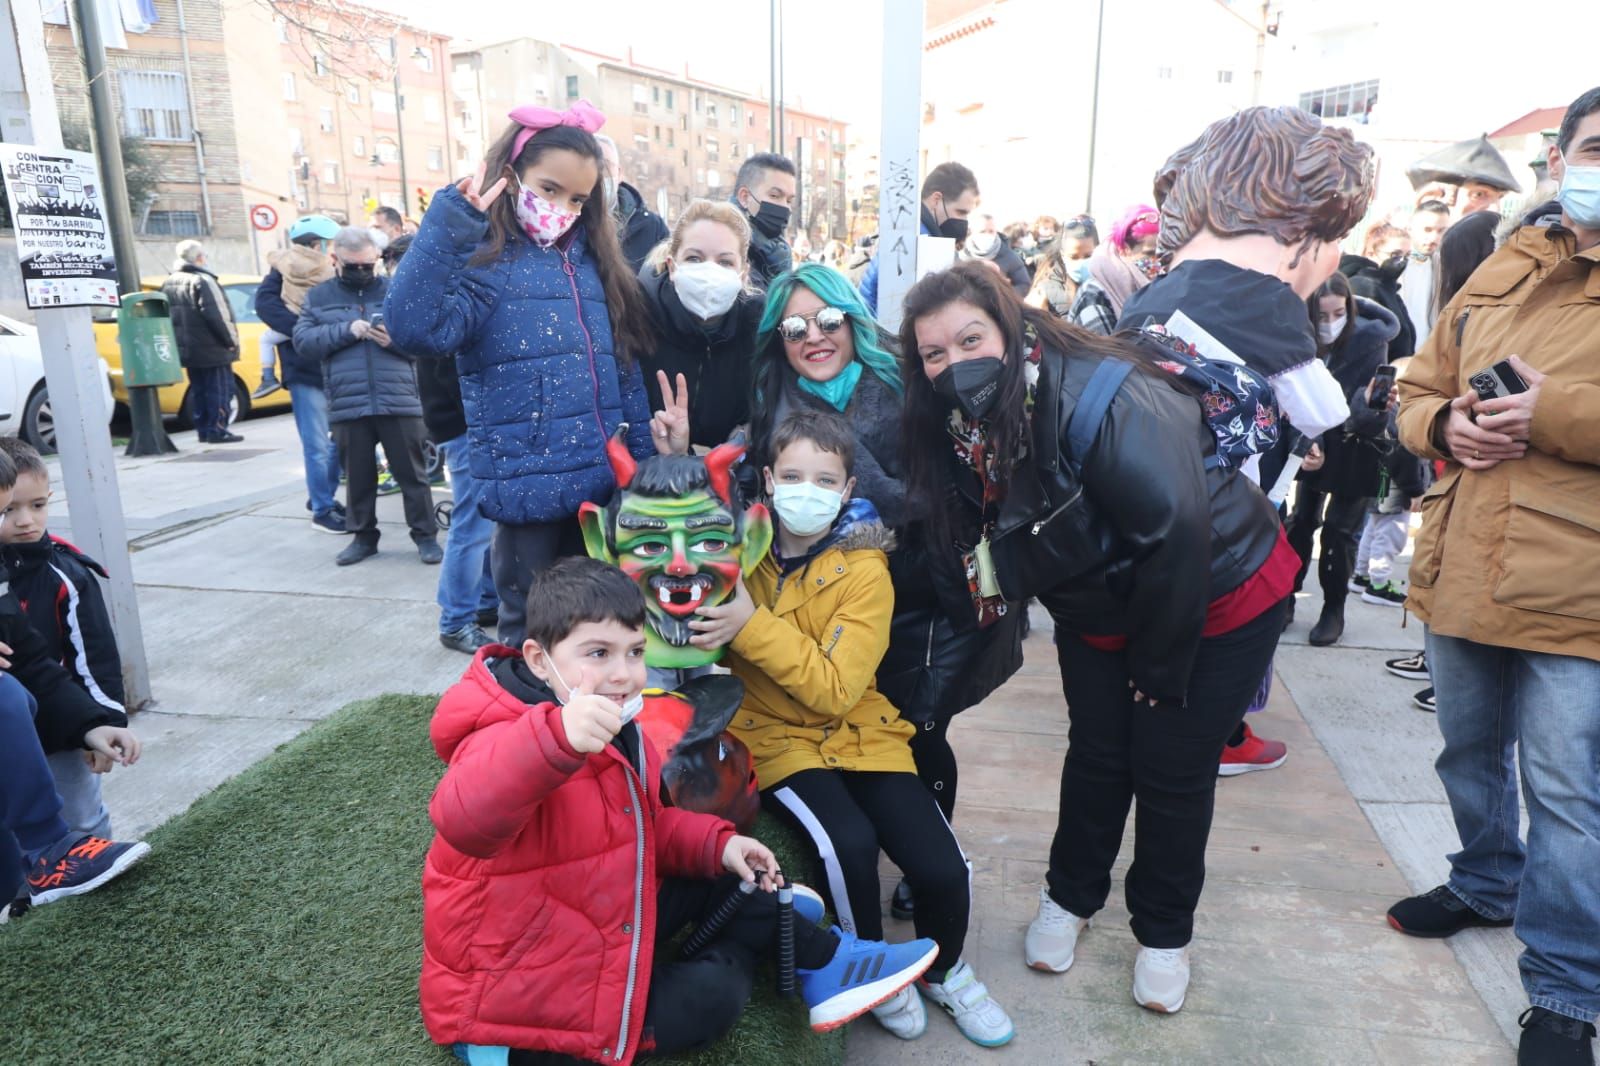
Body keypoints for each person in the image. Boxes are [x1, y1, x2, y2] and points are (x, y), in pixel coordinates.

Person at [897, 262, 1297, 1015]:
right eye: (934, 354)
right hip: (1096, 606)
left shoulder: (1102, 393)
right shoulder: (955, 422)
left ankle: (1163, 934)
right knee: (1098, 754)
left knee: (1171, 769)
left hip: (1212, 595)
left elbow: (1177, 536)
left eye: (970, 338)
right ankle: (1069, 897)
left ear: (1011, 326)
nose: (954, 363)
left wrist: (1157, 666)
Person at [419, 556, 939, 1062]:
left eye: (634, 651)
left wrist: (719, 843)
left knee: (725, 878)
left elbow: (639, 828)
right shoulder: (505, 731)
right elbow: (465, 821)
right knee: (716, 993)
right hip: (511, 1009)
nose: (623, 673)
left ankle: (822, 965)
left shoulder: (616, 725)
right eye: (597, 653)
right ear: (538, 659)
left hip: (580, 922)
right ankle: (759, 925)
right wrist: (554, 740)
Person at [1388, 86, 1600, 1066]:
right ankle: (1482, 877)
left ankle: (1562, 990)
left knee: (1565, 790)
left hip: (1580, 587)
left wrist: (1548, 410)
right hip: (1465, 553)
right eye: (1593, 147)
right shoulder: (1505, 258)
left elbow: (1558, 407)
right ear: (1558, 159)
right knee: (1466, 748)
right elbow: (1416, 384)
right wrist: (1442, 425)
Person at [688, 410, 1015, 1047]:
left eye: (823, 478)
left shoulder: (866, 570)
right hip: (775, 737)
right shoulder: (734, 552)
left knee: (943, 867)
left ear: (845, 489)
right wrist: (677, 453)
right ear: (768, 480)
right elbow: (671, 520)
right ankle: (869, 967)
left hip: (859, 730)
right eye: (792, 475)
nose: (806, 489)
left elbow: (837, 690)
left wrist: (750, 627)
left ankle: (945, 969)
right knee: (848, 843)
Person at [1119, 106, 1375, 771]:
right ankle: (1221, 737)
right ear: (1302, 231)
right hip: (1232, 524)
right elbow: (1322, 409)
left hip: (1144, 515)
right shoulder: (1269, 302)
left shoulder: (1152, 295)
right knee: (1218, 656)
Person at [384, 100, 686, 646]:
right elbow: (412, 329)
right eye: (549, 189)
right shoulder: (484, 261)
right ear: (512, 175)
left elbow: (625, 379)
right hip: (529, 502)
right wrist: (452, 223)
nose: (562, 207)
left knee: (604, 631)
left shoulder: (598, 266)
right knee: (536, 640)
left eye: (577, 198)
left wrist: (643, 471)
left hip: (605, 495)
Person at [0, 449, 147, 919]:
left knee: (12, 695)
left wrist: (94, 723)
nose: (23, 522)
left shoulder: (60, 571)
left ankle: (60, 864)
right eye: (6, 510)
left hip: (54, 729)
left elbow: (35, 659)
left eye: (35, 505)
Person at [1368, 207, 1502, 714]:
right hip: (1458, 492)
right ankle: (1439, 667)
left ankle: (1449, 673)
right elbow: (1421, 394)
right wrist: (1440, 419)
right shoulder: (1460, 316)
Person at [293, 226, 440, 567]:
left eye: (367, 264)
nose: (361, 271)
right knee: (358, 478)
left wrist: (396, 341)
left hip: (399, 398)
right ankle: (363, 537)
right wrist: (346, 331)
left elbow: (428, 342)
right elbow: (303, 342)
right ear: (335, 260)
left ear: (376, 260)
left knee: (413, 475)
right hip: (349, 402)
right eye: (352, 265)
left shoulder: (396, 291)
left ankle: (425, 537)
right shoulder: (319, 297)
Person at [1284, 274, 1401, 646]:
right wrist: (1309, 440)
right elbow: (1292, 393)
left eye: (1339, 312)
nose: (1331, 322)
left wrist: (1369, 404)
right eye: (1322, 314)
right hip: (1312, 439)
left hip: (1355, 448)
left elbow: (1376, 418)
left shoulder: (1372, 340)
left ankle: (1333, 608)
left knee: (1339, 533)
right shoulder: (1297, 337)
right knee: (1302, 523)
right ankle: (1285, 598)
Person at [746, 263, 906, 527]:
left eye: (829, 320)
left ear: (851, 321)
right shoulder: (768, 414)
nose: (813, 336)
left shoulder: (911, 385)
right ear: (780, 342)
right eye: (794, 328)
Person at [637, 200, 764, 449]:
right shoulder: (639, 319)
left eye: (725, 262)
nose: (709, 271)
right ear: (673, 267)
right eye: (694, 258)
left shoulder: (758, 331)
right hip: (654, 472)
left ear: (743, 274)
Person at [255, 216, 348, 534]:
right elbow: (266, 305)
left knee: (341, 440)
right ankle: (322, 509)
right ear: (316, 243)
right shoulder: (280, 271)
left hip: (338, 365)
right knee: (317, 445)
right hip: (304, 368)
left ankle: (321, 494)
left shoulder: (340, 265)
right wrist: (306, 331)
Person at [859, 161, 980, 315]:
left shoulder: (911, 231)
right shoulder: (919, 243)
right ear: (936, 200)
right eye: (961, 212)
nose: (964, 221)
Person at [161, 239, 242, 444]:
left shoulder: (169, 282)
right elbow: (217, 314)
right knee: (219, 389)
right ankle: (217, 430)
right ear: (198, 258)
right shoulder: (203, 281)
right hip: (213, 348)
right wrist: (230, 340)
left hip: (188, 349)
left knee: (199, 390)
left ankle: (204, 430)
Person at [253, 219, 338, 401]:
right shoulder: (333, 268)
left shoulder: (283, 265)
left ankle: (268, 377)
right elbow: (266, 304)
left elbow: (265, 303)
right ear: (319, 245)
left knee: (266, 339)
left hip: (306, 363)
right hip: (308, 366)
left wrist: (301, 328)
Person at [1068, 204, 1161, 335]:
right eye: (1150, 254)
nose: (1158, 261)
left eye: (1163, 253)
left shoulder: (1153, 288)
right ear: (1125, 249)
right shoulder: (1094, 294)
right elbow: (1106, 352)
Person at [594, 132, 670, 274]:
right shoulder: (563, 224)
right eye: (589, 165)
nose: (597, 173)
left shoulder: (652, 227)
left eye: (604, 165)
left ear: (620, 173)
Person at [1339, 223, 1416, 362]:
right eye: (1395, 254)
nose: (1402, 261)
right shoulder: (1364, 286)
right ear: (1371, 253)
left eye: (1407, 255)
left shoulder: (1387, 285)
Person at [730, 152, 798, 287]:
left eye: (789, 200)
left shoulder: (777, 252)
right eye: (774, 195)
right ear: (744, 197)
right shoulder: (721, 248)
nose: (785, 207)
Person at [1398, 200, 1452, 352]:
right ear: (1410, 229)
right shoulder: (1394, 264)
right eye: (1427, 229)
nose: (1434, 238)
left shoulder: (1447, 266)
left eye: (1441, 231)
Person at [1026, 215, 1098, 318]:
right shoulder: (1045, 290)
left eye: (1088, 256)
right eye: (1074, 257)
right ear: (1062, 254)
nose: (1081, 262)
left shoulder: (1106, 285)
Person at [961, 213, 1031, 296]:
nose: (987, 235)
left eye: (991, 231)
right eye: (982, 231)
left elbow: (1024, 285)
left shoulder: (1010, 256)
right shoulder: (961, 256)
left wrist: (1003, 294)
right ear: (972, 232)